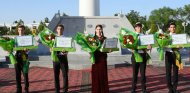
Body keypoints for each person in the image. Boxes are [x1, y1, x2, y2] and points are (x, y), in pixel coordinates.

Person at [131, 22, 151, 93]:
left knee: (143, 74)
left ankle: (143, 89)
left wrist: (149, 48)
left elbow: (147, 47)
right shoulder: (132, 35)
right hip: (135, 56)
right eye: (138, 27)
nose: (139, 28)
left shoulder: (144, 36)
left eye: (140, 27)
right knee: (134, 74)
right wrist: (131, 49)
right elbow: (128, 45)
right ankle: (133, 89)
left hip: (143, 56)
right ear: (135, 28)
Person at [91, 24, 110, 93]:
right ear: (95, 30)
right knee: (96, 76)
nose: (99, 30)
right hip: (95, 59)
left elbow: (107, 49)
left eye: (100, 29)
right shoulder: (92, 38)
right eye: (97, 29)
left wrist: (109, 50)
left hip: (102, 59)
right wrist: (90, 52)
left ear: (102, 30)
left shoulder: (104, 38)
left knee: (103, 75)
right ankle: (96, 91)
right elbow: (89, 48)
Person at [50, 24, 69, 93]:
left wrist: (65, 51)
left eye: (61, 29)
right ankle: (57, 90)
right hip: (55, 59)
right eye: (58, 29)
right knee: (56, 76)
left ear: (63, 30)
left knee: (65, 75)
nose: (60, 30)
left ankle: (65, 90)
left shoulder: (66, 39)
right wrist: (51, 49)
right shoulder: (53, 38)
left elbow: (68, 50)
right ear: (56, 30)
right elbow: (50, 47)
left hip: (63, 58)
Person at [165, 22, 180, 93]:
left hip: (176, 54)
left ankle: (175, 89)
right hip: (168, 54)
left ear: (175, 28)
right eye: (171, 27)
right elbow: (163, 46)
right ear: (169, 28)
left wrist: (180, 47)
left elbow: (182, 45)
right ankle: (170, 89)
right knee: (168, 72)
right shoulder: (165, 36)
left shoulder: (179, 36)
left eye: (174, 27)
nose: (172, 28)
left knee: (176, 72)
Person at [14, 25, 29, 93]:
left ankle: (26, 89)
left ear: (24, 30)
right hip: (16, 58)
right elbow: (13, 48)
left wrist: (27, 50)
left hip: (24, 58)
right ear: (18, 30)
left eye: (22, 30)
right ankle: (18, 89)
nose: (20, 31)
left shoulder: (27, 38)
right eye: (19, 30)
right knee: (17, 75)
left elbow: (30, 48)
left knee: (25, 74)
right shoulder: (15, 39)